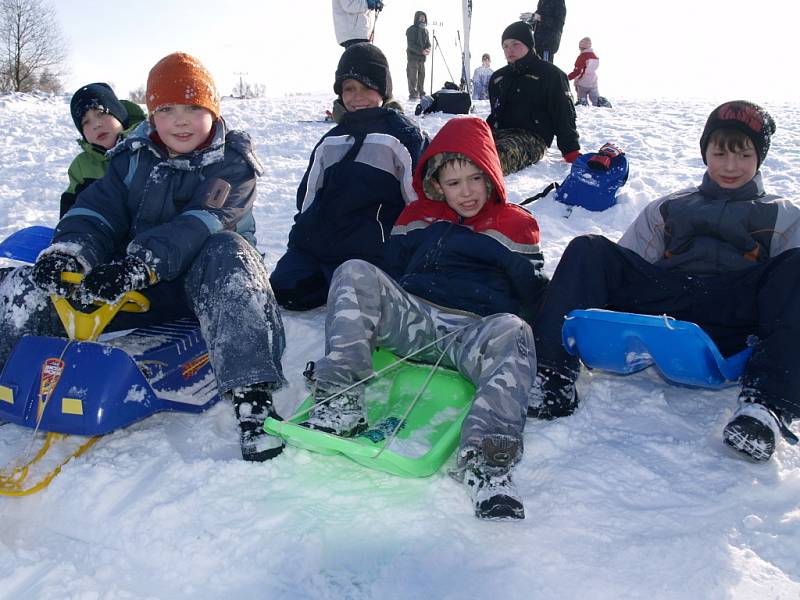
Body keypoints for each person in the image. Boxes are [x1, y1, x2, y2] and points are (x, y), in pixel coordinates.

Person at [4, 52, 287, 463]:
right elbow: (97, 211)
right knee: (21, 284)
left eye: (193, 108)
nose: (181, 120)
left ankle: (252, 396)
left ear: (213, 110)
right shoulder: (131, 159)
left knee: (229, 251)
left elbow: (198, 224)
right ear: (152, 114)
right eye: (166, 109)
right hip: (141, 289)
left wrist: (139, 266)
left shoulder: (234, 165)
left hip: (210, 290)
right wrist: (71, 252)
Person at [300, 116, 548, 520]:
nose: (466, 192)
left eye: (475, 179)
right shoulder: (415, 216)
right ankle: (340, 399)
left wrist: (539, 354)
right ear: (436, 183)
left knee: (513, 329)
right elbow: (390, 275)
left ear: (491, 177)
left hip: (470, 333)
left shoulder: (515, 225)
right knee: (355, 271)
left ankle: (486, 461)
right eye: (453, 183)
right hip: (414, 322)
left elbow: (533, 298)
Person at [530, 100, 800, 464]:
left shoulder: (783, 214)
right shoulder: (671, 205)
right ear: (706, 152)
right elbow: (629, 260)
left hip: (733, 309)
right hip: (668, 296)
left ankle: (765, 407)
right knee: (588, 249)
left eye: (743, 155)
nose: (730, 166)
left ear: (759, 158)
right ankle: (552, 375)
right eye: (720, 153)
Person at [270, 43, 427, 312]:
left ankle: (373, 289)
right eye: (349, 89)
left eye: (367, 88)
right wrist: (300, 240)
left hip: (371, 250)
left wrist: (408, 252)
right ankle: (333, 281)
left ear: (383, 90)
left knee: (358, 298)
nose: (357, 97)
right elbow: (307, 199)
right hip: (322, 246)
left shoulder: (402, 137)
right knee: (286, 288)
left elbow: (419, 202)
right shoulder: (331, 140)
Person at [487, 21, 580, 175]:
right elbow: (495, 112)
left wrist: (571, 150)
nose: (509, 49)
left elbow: (563, 114)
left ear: (529, 44)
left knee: (493, 157)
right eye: (505, 46)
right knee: (461, 145)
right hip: (499, 133)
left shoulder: (551, 74)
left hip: (532, 138)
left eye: (515, 44)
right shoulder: (498, 77)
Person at [61, 83, 146, 217]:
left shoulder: (149, 146)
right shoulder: (81, 166)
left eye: (101, 113)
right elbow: (72, 211)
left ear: (119, 114)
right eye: (85, 122)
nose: (96, 124)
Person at [405, 10, 431, 100]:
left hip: (422, 59)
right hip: (413, 58)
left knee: (421, 77)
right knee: (413, 78)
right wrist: (421, 51)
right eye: (421, 17)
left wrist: (428, 49)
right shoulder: (411, 29)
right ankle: (413, 95)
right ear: (417, 18)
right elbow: (410, 45)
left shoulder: (426, 31)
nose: (423, 18)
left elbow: (428, 43)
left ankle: (422, 94)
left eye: (424, 17)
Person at [567, 37, 600, 107]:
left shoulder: (582, 57)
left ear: (581, 47)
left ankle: (583, 103)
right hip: (594, 81)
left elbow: (578, 71)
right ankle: (599, 106)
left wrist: (567, 77)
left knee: (582, 99)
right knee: (596, 99)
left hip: (583, 82)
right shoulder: (595, 56)